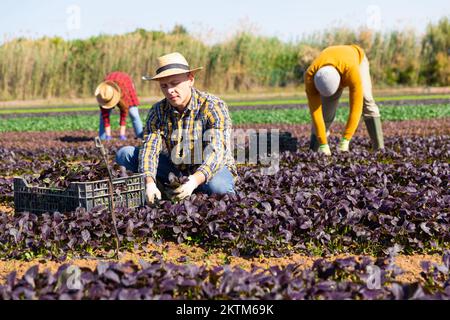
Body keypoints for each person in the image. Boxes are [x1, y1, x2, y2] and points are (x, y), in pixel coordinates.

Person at [116, 52, 237, 203]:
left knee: (219, 188)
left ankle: (196, 189)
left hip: (212, 169)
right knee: (125, 154)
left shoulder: (212, 106)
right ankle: (160, 190)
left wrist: (193, 181)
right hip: (177, 169)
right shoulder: (158, 111)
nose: (169, 91)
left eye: (174, 83)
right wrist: (149, 182)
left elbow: (217, 151)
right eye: (164, 86)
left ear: (190, 80)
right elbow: (150, 148)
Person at [304, 44, 384, 155]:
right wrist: (323, 143)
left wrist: (346, 139)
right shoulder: (310, 76)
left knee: (367, 100)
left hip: (357, 59)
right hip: (334, 62)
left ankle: (379, 148)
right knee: (324, 113)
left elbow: (356, 109)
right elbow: (315, 112)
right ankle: (314, 150)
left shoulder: (352, 71)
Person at [95, 71, 144, 141]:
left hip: (125, 83)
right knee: (103, 116)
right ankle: (103, 137)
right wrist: (108, 136)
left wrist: (122, 135)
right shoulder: (103, 94)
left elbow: (124, 113)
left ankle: (141, 135)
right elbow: (105, 116)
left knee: (133, 113)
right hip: (110, 84)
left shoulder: (124, 93)